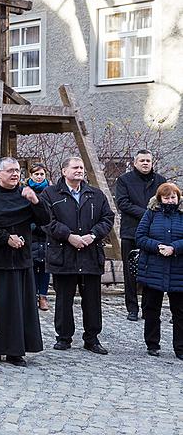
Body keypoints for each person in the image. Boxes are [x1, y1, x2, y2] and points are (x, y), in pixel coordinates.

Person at [0, 157, 49, 366]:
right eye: (10, 171)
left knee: (19, 308)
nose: (15, 174)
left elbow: (45, 220)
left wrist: (36, 201)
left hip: (21, 261)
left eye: (17, 171)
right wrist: (6, 239)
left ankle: (16, 350)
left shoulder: (25, 195)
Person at [41, 157, 115, 355]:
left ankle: (92, 339)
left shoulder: (96, 195)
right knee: (64, 299)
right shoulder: (50, 194)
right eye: (75, 167)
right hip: (63, 253)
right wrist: (69, 236)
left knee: (92, 300)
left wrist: (92, 235)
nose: (79, 170)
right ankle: (63, 337)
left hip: (90, 253)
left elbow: (108, 218)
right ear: (64, 171)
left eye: (81, 167)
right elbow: (46, 221)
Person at [115, 149, 167, 321]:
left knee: (150, 270)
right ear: (135, 163)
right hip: (131, 231)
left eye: (148, 161)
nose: (145, 163)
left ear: (152, 163)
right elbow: (123, 203)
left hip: (154, 234)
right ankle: (132, 308)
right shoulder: (124, 180)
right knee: (130, 272)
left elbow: (166, 202)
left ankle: (148, 308)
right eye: (142, 160)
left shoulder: (160, 181)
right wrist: (147, 213)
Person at [135, 182, 183, 359]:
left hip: (178, 269)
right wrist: (157, 247)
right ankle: (152, 344)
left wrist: (175, 248)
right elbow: (140, 237)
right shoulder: (151, 214)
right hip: (153, 268)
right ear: (160, 199)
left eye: (173, 197)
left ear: (178, 198)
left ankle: (180, 347)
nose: (170, 201)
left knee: (180, 311)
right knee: (151, 308)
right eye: (166, 197)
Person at [26, 164, 51, 311]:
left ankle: (43, 296)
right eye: (37, 174)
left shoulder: (50, 191)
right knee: (32, 265)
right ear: (31, 176)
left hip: (46, 234)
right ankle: (32, 295)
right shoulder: (25, 191)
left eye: (42, 174)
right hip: (31, 235)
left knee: (45, 268)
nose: (39, 177)